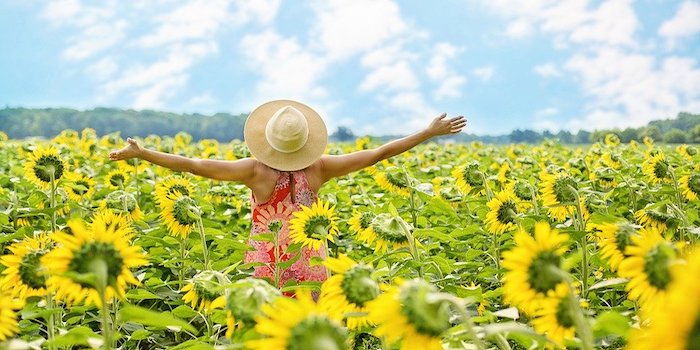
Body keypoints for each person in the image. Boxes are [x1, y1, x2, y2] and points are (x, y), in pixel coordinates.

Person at [109, 99, 466, 289]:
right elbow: (378, 154)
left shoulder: (256, 171)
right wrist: (427, 132)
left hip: (270, 268)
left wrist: (144, 154)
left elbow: (193, 165)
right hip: (311, 266)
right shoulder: (320, 168)